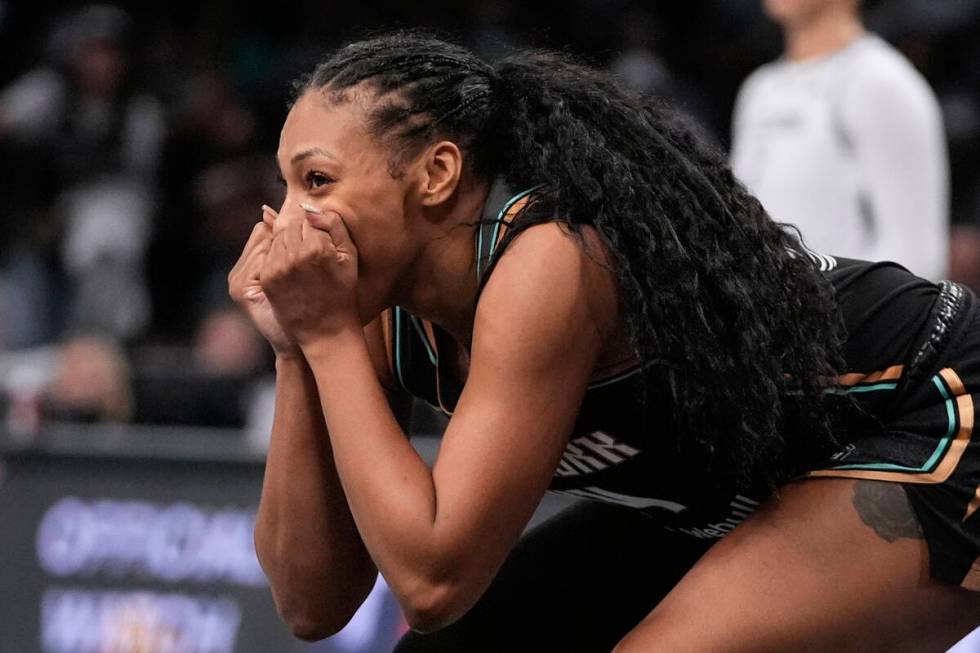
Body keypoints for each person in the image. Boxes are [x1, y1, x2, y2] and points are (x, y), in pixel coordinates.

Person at [228, 32, 980, 652]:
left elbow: (432, 579)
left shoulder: (549, 262)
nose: (290, 220)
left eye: (317, 181)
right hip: (747, 481)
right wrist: (298, 349)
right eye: (286, 187)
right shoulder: (370, 307)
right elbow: (310, 602)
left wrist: (324, 334)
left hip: (935, 403)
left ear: (437, 173)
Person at [731, 0, 949, 281]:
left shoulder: (881, 82)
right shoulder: (760, 88)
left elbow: (917, 259)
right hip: (768, 313)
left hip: (844, 316)